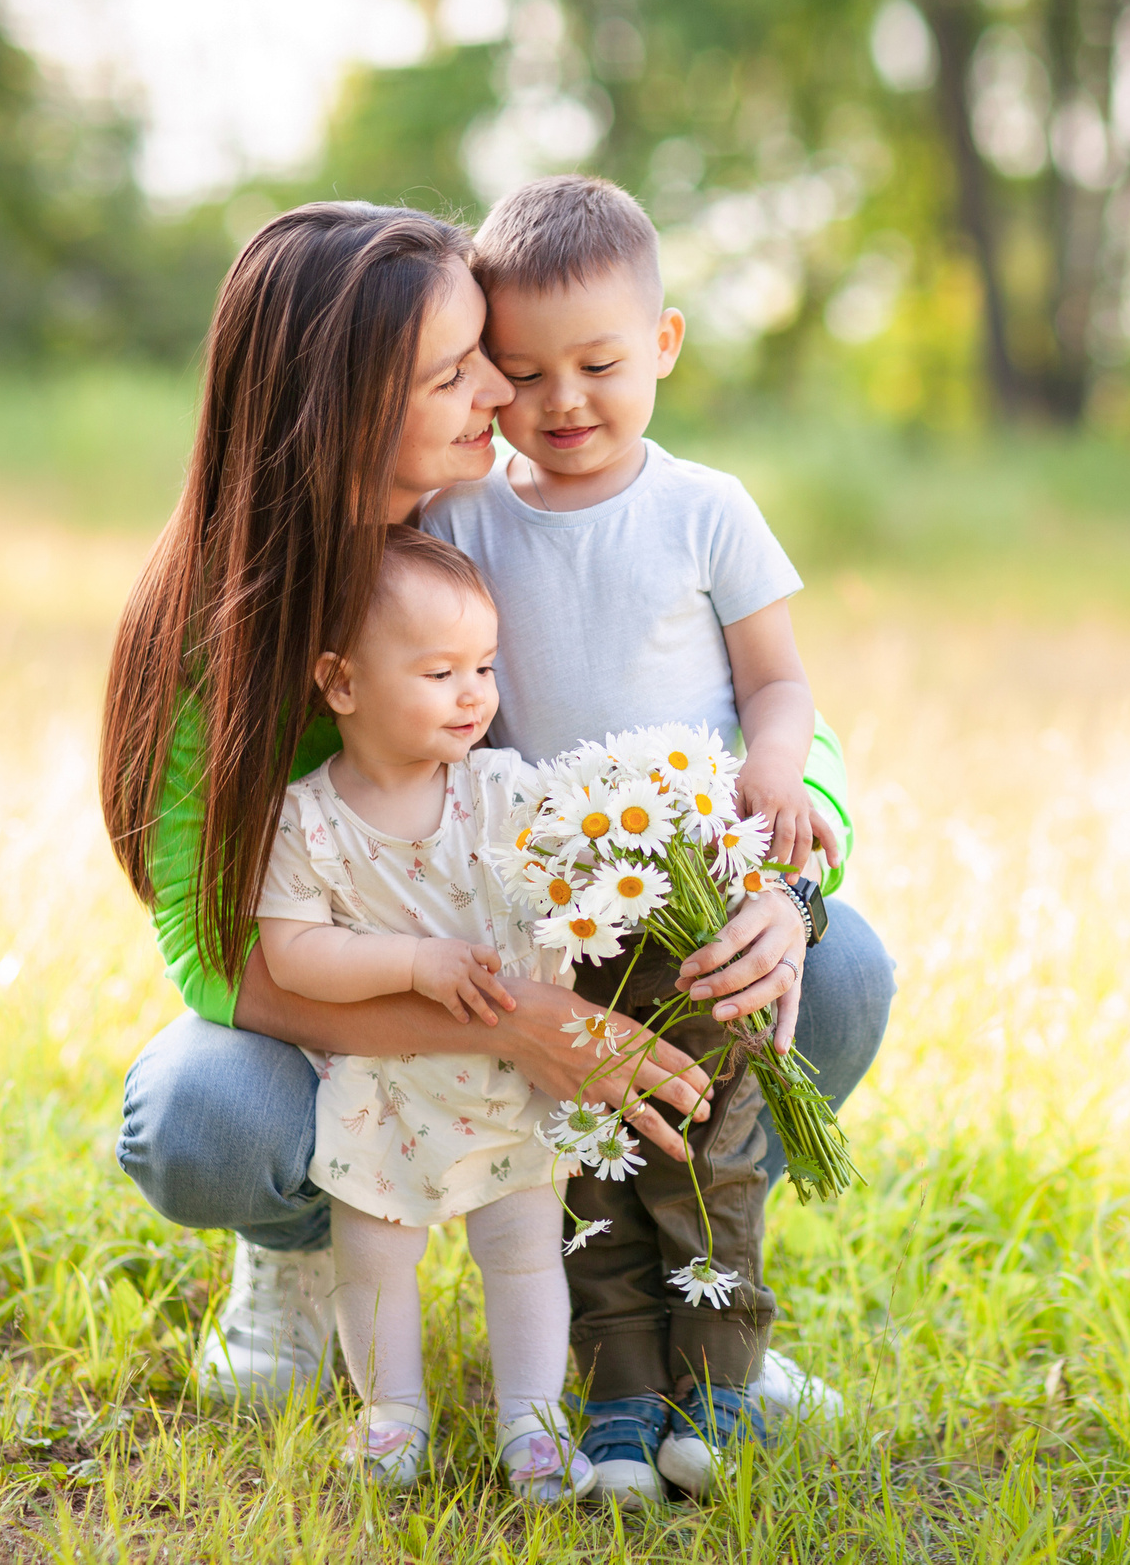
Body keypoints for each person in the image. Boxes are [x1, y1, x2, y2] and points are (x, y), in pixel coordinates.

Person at [100, 203, 891, 1433]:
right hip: (362, 995)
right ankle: (303, 1247)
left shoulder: (508, 525)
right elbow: (216, 956)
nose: (505, 391)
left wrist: (785, 886)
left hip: (562, 941)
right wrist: (528, 1025)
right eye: (465, 368)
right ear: (350, 400)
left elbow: (739, 705)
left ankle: (691, 1295)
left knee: (837, 974)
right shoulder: (215, 621)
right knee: (206, 1114)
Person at [420, 174, 887, 1504]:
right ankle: (621, 1387)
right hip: (547, 908)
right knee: (586, 1154)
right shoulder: (468, 522)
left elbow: (779, 681)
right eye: (523, 370)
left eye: (601, 363)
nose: (563, 398)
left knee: (714, 1140)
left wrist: (779, 778)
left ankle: (721, 1378)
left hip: (693, 889)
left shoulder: (705, 508)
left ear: (665, 345)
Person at [250, 528, 589, 1497]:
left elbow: (573, 887)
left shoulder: (506, 790)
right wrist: (413, 963)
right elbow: (294, 955)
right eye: (439, 671)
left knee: (523, 1252)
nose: (474, 692)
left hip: (503, 1080)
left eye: (483, 665)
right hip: (381, 1081)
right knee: (374, 1255)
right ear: (342, 684)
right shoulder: (305, 818)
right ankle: (392, 1414)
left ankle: (532, 1423)